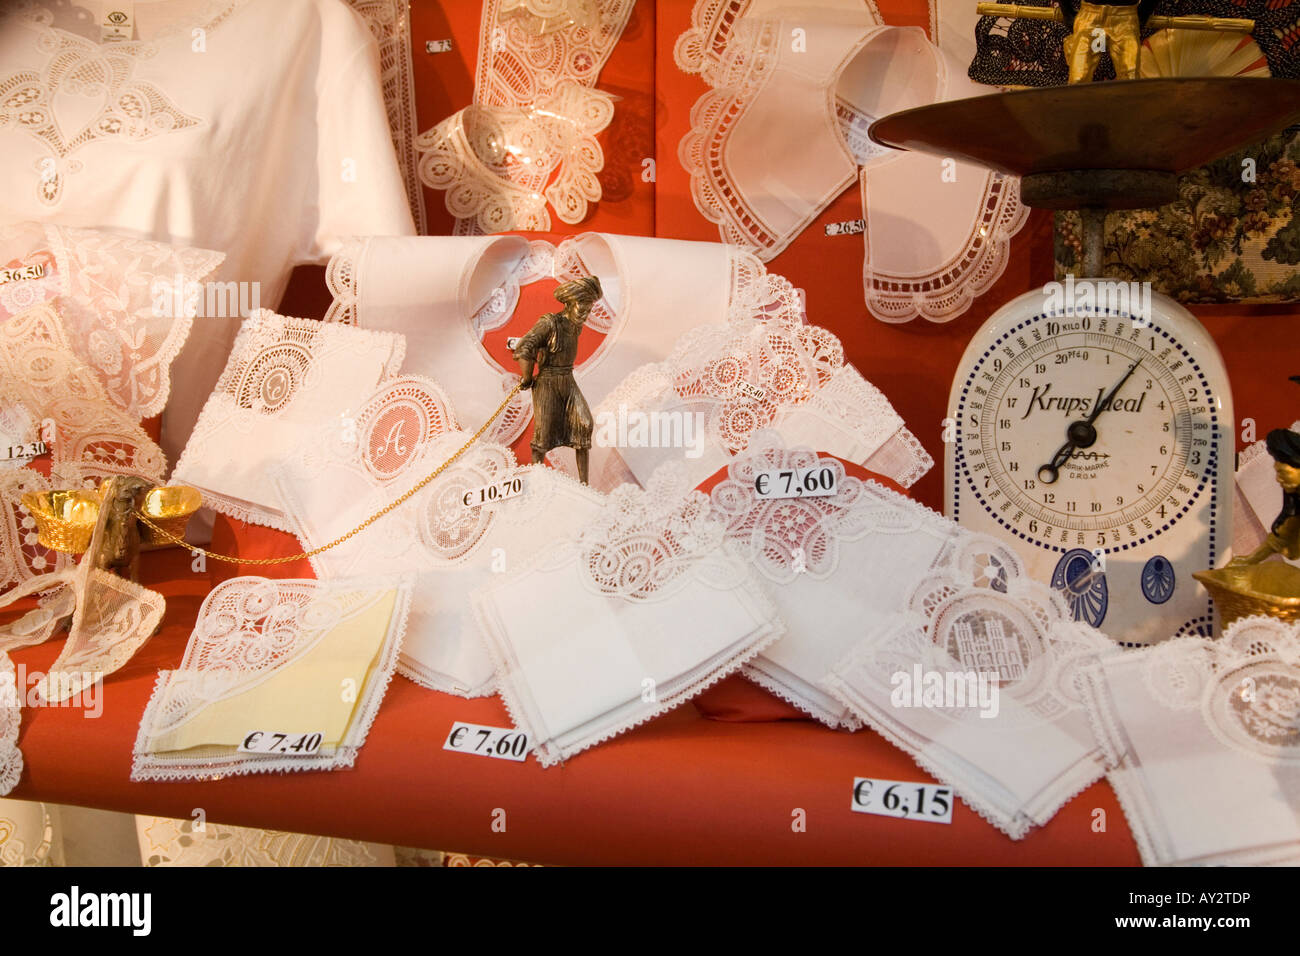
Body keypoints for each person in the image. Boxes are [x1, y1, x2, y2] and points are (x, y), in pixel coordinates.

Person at [513, 276, 601, 484]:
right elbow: (525, 346)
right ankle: (537, 480)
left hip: (567, 380)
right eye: (583, 308)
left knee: (584, 424)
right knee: (543, 435)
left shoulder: (575, 325)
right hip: (547, 382)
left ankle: (584, 485)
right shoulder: (550, 322)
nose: (586, 314)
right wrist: (526, 377)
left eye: (589, 310)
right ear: (570, 303)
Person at [1234, 428, 1300, 564]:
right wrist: (1249, 560)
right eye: (1277, 472)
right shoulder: (1295, 505)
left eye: (1283, 473)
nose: (1278, 479)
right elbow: (1280, 538)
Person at [1060, 0, 1159, 82]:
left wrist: (1144, 13)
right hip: (1092, 21)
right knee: (1079, 76)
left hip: (1123, 21)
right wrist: (1067, 11)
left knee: (1129, 75)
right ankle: (1080, 104)